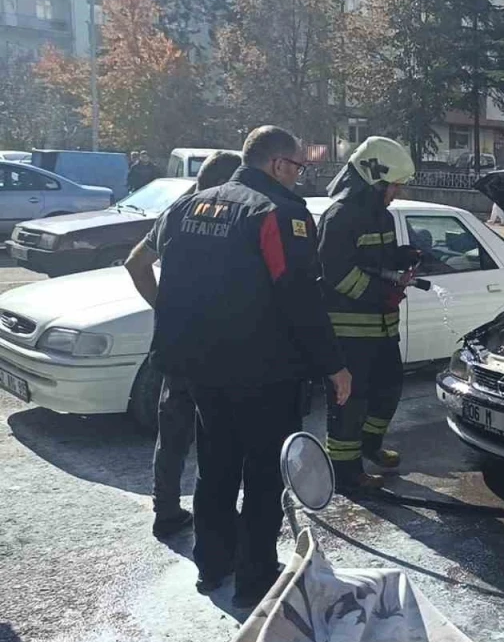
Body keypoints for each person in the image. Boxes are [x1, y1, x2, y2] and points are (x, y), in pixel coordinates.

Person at [147, 126, 351, 607]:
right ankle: (254, 579)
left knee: (215, 466)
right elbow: (300, 298)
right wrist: (334, 365)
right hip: (263, 372)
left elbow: (164, 271)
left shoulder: (187, 205)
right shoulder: (279, 214)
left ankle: (212, 564)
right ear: (278, 164)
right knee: (263, 475)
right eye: (298, 167)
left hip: (199, 368)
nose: (299, 177)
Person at [125, 150, 243, 539]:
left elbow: (136, 265)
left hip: (177, 343)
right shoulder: (239, 215)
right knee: (222, 432)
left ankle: (167, 510)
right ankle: (221, 514)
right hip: (222, 346)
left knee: (172, 430)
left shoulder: (175, 214)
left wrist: (165, 307)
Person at [317, 137, 421, 494]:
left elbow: (377, 261)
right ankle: (345, 473)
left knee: (389, 388)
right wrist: (383, 294)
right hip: (349, 331)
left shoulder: (383, 217)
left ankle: (369, 446)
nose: (396, 193)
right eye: (392, 185)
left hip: (382, 327)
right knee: (350, 401)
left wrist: (402, 257)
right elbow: (336, 274)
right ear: (373, 180)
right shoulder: (340, 216)